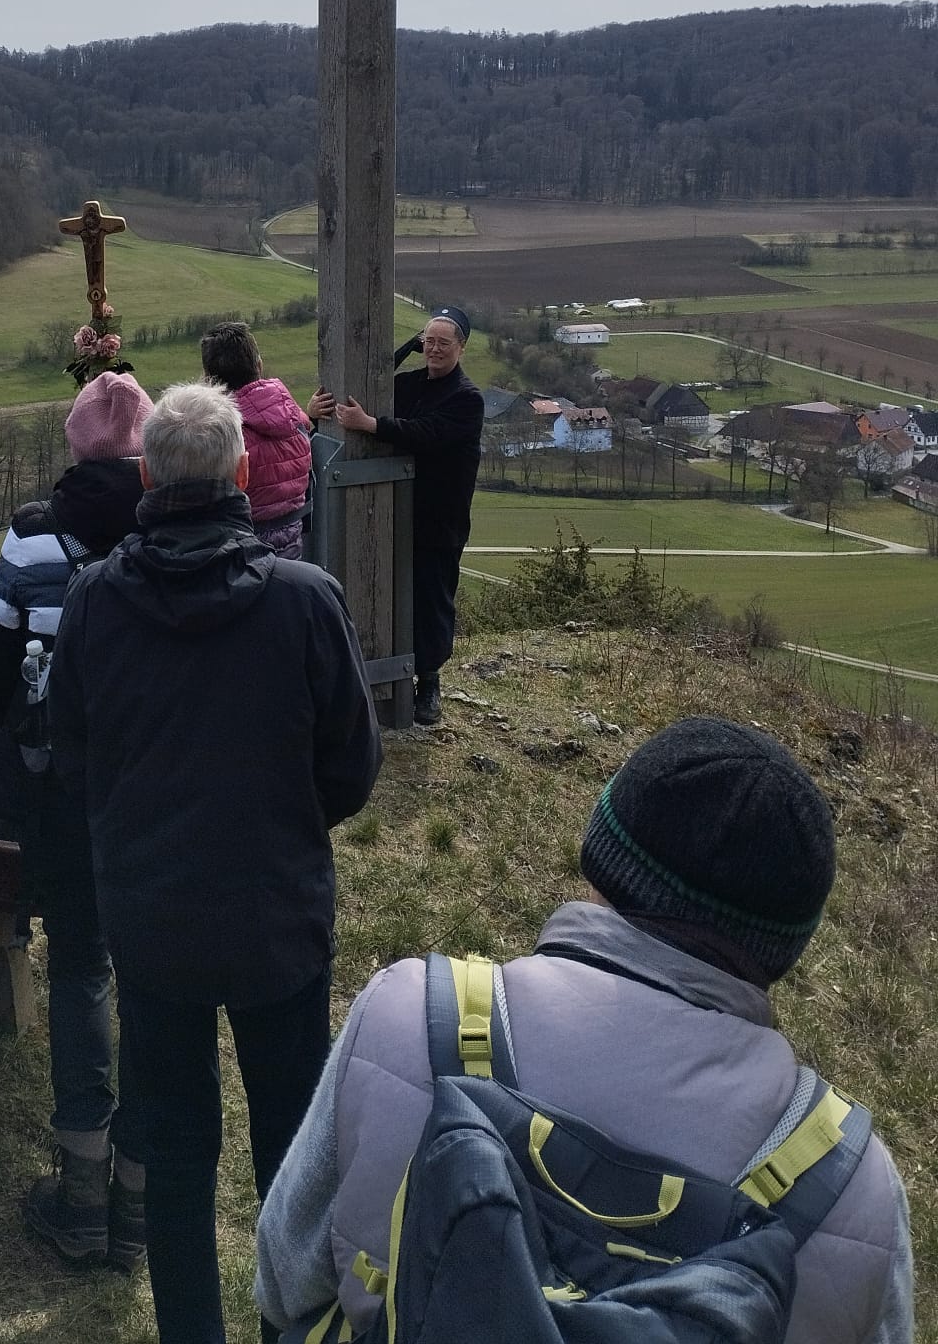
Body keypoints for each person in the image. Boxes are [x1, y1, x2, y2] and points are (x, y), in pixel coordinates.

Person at [254, 716, 913, 1344]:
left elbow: (285, 1283)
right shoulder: (852, 1191)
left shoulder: (409, 1019)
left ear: (604, 858)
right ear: (786, 947)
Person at [49, 382, 382, 1344]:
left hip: (152, 918)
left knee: (176, 1148)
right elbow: (352, 769)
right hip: (278, 913)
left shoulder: (93, 602)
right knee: (293, 1147)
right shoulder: (306, 600)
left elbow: (71, 757)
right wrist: (282, 827)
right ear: (241, 471)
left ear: (148, 479)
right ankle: (291, 1327)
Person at [0, 368, 155, 1271]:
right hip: (158, 790)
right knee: (154, 978)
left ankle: (82, 1189)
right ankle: (141, 1191)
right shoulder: (171, 529)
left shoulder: (33, 535)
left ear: (76, 445)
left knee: (81, 968)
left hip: (65, 790)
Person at [310, 304, 482, 725]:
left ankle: (429, 681)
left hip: (438, 516)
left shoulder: (467, 398)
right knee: (383, 588)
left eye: (444, 343)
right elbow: (372, 378)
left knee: (431, 597)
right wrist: (314, 410)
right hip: (394, 507)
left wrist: (371, 425)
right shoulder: (410, 384)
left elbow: (427, 433)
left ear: (461, 348)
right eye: (428, 341)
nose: (434, 349)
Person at [200, 321, 312, 559]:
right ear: (259, 366)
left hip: (238, 558)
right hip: (291, 554)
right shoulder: (296, 420)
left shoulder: (219, 436)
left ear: (207, 378)